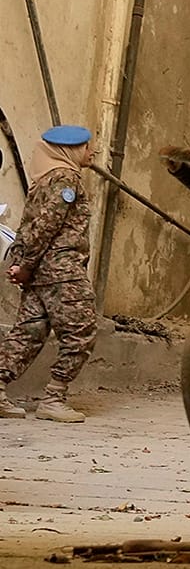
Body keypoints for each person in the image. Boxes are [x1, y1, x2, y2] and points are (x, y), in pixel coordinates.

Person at [0, 125, 99, 423]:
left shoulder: (43, 180)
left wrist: (21, 263)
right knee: (82, 329)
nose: (92, 151)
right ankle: (54, 397)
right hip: (62, 271)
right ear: (70, 150)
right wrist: (25, 264)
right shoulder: (65, 179)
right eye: (87, 147)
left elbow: (28, 226)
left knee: (28, 331)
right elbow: (47, 225)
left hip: (41, 271)